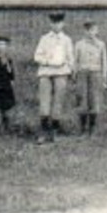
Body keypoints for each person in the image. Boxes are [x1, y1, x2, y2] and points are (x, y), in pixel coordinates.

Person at [33, 12, 75, 142]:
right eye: (53, 23)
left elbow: (71, 58)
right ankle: (43, 131)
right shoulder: (44, 39)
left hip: (61, 72)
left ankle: (54, 131)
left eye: (59, 23)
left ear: (63, 24)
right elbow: (37, 56)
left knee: (58, 101)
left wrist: (72, 71)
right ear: (50, 24)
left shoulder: (67, 40)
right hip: (46, 72)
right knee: (45, 101)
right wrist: (47, 61)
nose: (56, 26)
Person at [73, 21, 107, 134]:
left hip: (96, 73)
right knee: (83, 99)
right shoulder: (79, 44)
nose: (90, 33)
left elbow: (104, 62)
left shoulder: (101, 45)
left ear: (97, 31)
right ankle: (83, 127)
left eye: (93, 30)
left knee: (94, 99)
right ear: (84, 31)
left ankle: (92, 127)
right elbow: (75, 61)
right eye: (88, 30)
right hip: (82, 73)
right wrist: (74, 76)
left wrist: (104, 77)